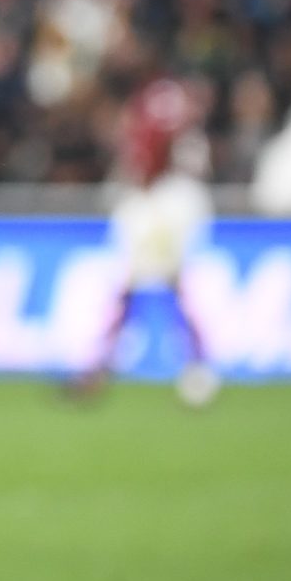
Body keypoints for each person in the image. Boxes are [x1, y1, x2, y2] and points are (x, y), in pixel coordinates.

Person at [77, 78, 218, 406]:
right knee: (129, 302)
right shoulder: (139, 194)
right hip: (151, 227)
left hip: (168, 237)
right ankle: (100, 370)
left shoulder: (181, 194)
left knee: (176, 300)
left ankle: (197, 367)